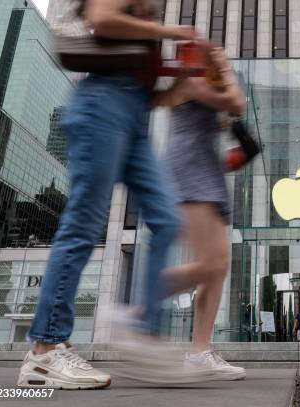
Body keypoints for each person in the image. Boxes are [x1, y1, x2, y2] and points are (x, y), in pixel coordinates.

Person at [17, 0, 205, 390]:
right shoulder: (140, 16)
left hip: (133, 120)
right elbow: (101, 17)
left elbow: (154, 100)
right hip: (101, 107)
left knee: (167, 220)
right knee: (83, 226)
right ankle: (45, 351)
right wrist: (171, 33)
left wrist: (182, 83)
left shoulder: (146, 21)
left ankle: (140, 330)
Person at [156, 46, 246, 380]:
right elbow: (237, 102)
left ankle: (199, 351)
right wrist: (225, 68)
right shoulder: (190, 81)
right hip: (190, 174)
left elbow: (223, 117)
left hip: (205, 174)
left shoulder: (199, 88)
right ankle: (139, 303)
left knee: (218, 265)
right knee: (212, 263)